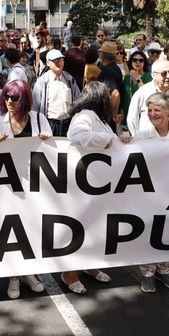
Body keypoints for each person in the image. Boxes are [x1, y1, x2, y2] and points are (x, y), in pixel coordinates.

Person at [121, 93, 169, 292]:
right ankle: (147, 274)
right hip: (149, 193)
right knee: (150, 231)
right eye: (149, 110)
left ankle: (165, 270)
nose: (152, 114)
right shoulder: (142, 135)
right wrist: (125, 141)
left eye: (157, 110)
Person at [0, 80, 49, 299]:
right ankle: (13, 275)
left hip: (34, 183)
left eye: (15, 97)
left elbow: (52, 151)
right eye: (6, 97)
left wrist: (46, 140)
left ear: (25, 99)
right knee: (11, 228)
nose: (10, 102)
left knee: (31, 227)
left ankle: (28, 273)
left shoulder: (39, 120)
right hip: (7, 184)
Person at [61, 81, 115, 294]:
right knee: (80, 226)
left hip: (96, 182)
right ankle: (69, 273)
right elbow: (77, 137)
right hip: (84, 181)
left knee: (94, 226)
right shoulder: (85, 116)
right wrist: (107, 140)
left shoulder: (97, 118)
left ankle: (90, 265)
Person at [126, 60, 169, 136]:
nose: (168, 77)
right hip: (148, 141)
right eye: (164, 73)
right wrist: (138, 138)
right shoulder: (142, 92)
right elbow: (132, 119)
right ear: (153, 75)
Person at [32, 49, 81, 136]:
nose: (59, 62)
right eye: (55, 60)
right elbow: (35, 107)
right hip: (50, 125)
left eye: (61, 59)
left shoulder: (69, 79)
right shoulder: (42, 82)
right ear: (47, 63)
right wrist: (38, 129)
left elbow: (78, 101)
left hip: (68, 124)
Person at [120, 51, 152, 133]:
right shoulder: (127, 78)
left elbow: (147, 94)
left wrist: (137, 78)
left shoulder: (149, 76)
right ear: (131, 62)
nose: (137, 62)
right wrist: (121, 112)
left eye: (141, 60)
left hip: (142, 114)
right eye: (135, 60)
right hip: (127, 114)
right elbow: (123, 96)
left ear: (144, 63)